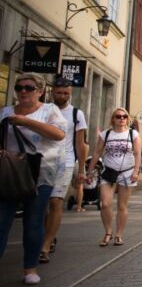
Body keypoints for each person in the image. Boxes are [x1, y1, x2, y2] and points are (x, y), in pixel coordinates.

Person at [0, 73, 67, 285]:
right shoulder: (6, 112)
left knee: (33, 220)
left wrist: (26, 122)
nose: (23, 91)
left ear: (40, 91)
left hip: (40, 172)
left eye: (28, 88)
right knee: (2, 221)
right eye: (19, 88)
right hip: (9, 172)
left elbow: (59, 134)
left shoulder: (50, 110)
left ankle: (30, 268)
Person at [39, 77, 88, 265]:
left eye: (66, 93)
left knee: (56, 201)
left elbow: (81, 144)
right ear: (52, 92)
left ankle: (45, 246)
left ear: (71, 93)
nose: (62, 96)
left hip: (65, 161)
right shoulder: (43, 110)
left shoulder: (76, 114)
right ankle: (48, 233)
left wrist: (81, 170)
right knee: (41, 203)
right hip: (43, 160)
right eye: (59, 93)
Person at [87, 107, 142, 247]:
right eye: (118, 116)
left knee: (122, 206)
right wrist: (90, 171)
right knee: (105, 203)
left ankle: (119, 235)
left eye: (124, 116)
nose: (121, 118)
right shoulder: (106, 134)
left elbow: (137, 154)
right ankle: (108, 232)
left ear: (127, 119)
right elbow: (97, 152)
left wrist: (136, 171)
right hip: (108, 172)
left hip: (127, 172)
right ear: (113, 119)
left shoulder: (133, 134)